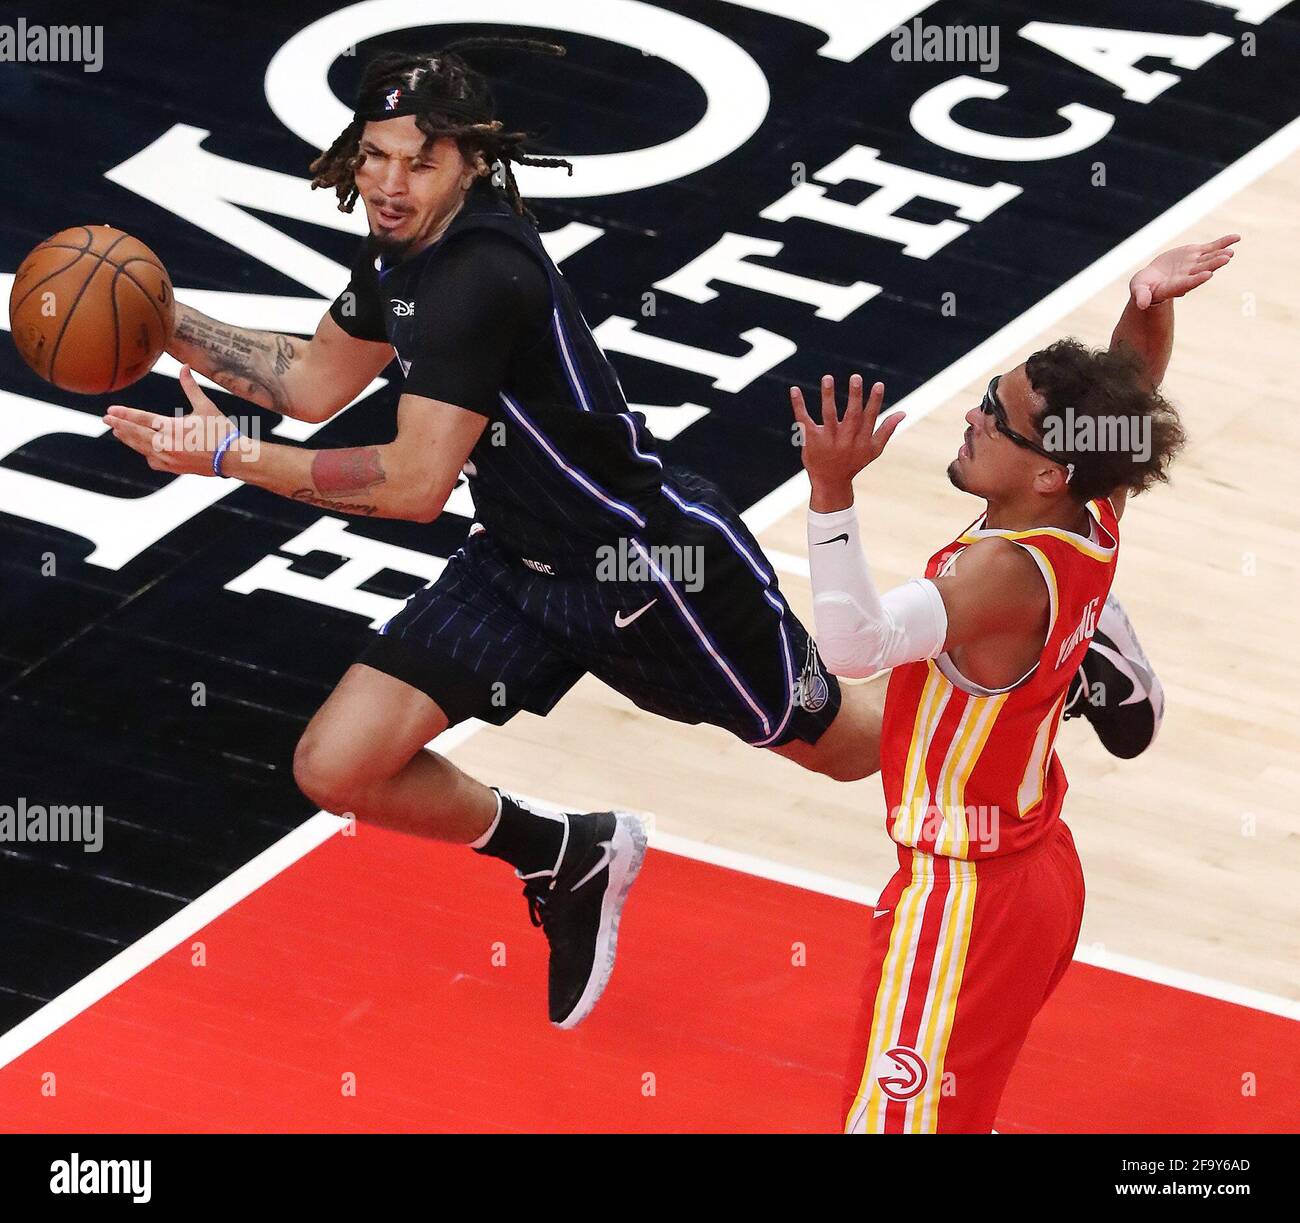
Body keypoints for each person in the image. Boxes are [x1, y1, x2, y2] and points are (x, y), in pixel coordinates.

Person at [103, 39, 884, 1030]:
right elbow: (309, 382)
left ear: (469, 164)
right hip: (517, 558)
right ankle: (566, 852)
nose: (387, 182)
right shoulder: (400, 250)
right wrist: (158, 316)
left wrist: (231, 457)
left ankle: (1027, 650)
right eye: (375, 153)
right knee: (337, 764)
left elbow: (415, 483)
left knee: (844, 747)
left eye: (417, 160)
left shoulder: (480, 274)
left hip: (639, 565)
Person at [793, 234, 1238, 1132]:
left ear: (1044, 471)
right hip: (1038, 870)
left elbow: (853, 641)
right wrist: (1148, 303)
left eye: (994, 415)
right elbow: (1128, 392)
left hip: (968, 895)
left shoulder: (994, 576)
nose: (973, 414)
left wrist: (831, 491)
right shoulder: (1092, 504)